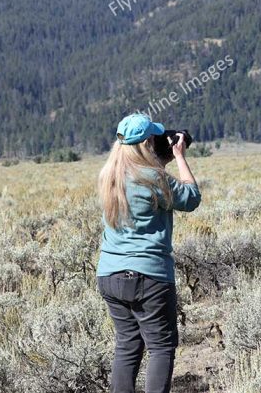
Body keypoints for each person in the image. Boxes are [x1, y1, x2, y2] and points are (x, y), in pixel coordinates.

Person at [97, 113, 202, 393]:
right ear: (146, 143)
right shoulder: (153, 178)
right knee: (161, 347)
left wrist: (161, 161)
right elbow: (191, 198)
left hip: (109, 275)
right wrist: (179, 156)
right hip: (149, 277)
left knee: (127, 345)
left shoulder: (109, 176)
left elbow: (145, 180)